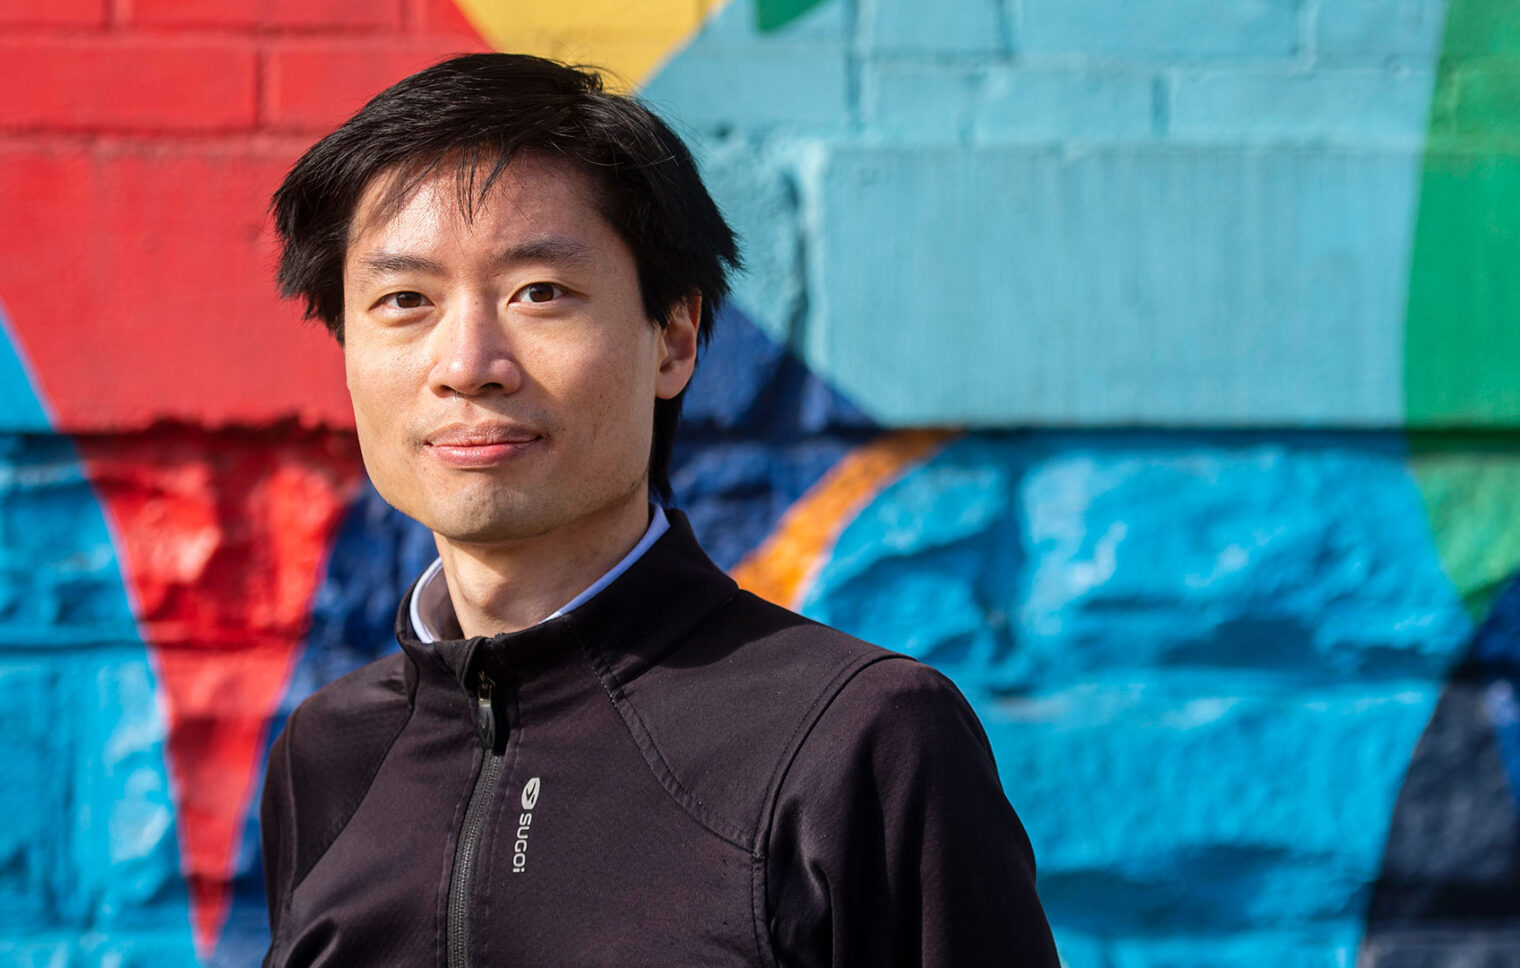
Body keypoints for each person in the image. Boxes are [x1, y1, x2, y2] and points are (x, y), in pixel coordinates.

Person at [259, 52, 1059, 967]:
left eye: (539, 294)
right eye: (404, 300)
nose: (468, 363)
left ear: (673, 338)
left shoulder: (864, 739)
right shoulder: (327, 755)